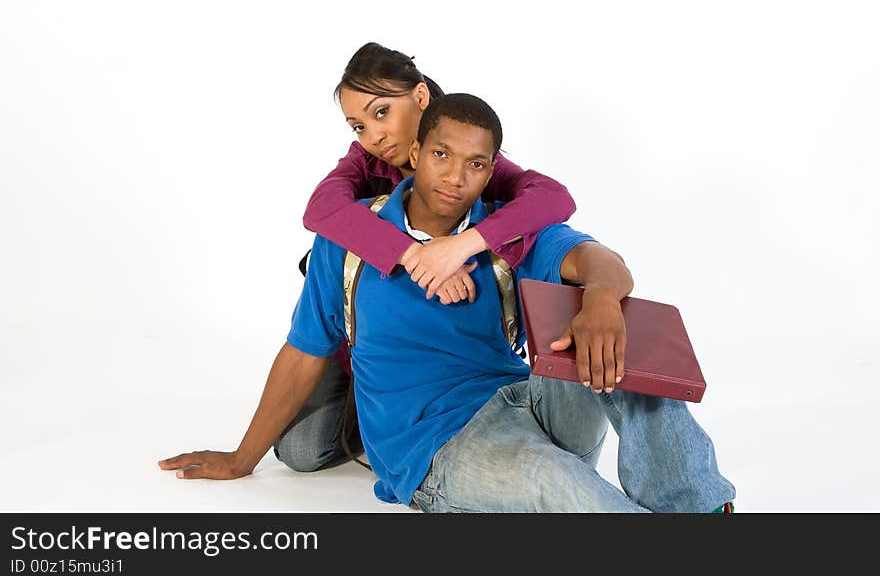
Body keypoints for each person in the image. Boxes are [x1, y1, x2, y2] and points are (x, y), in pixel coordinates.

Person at [159, 93, 736, 513]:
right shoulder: (352, 240)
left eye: (476, 164)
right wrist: (241, 460)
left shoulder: (502, 234)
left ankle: (698, 508)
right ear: (415, 151)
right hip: (435, 446)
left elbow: (598, 260)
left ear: (492, 173)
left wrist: (605, 299)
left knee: (620, 332)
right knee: (555, 478)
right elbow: (303, 354)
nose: (456, 176)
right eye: (441, 154)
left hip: (527, 401)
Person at [274, 42, 579, 473]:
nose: (373, 135)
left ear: (420, 98)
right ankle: (391, 411)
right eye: (357, 125)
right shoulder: (366, 162)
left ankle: (436, 413)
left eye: (381, 113)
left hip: (460, 340)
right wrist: (415, 255)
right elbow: (320, 210)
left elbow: (554, 198)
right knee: (301, 451)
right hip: (371, 334)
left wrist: (462, 245)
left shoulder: (467, 155)